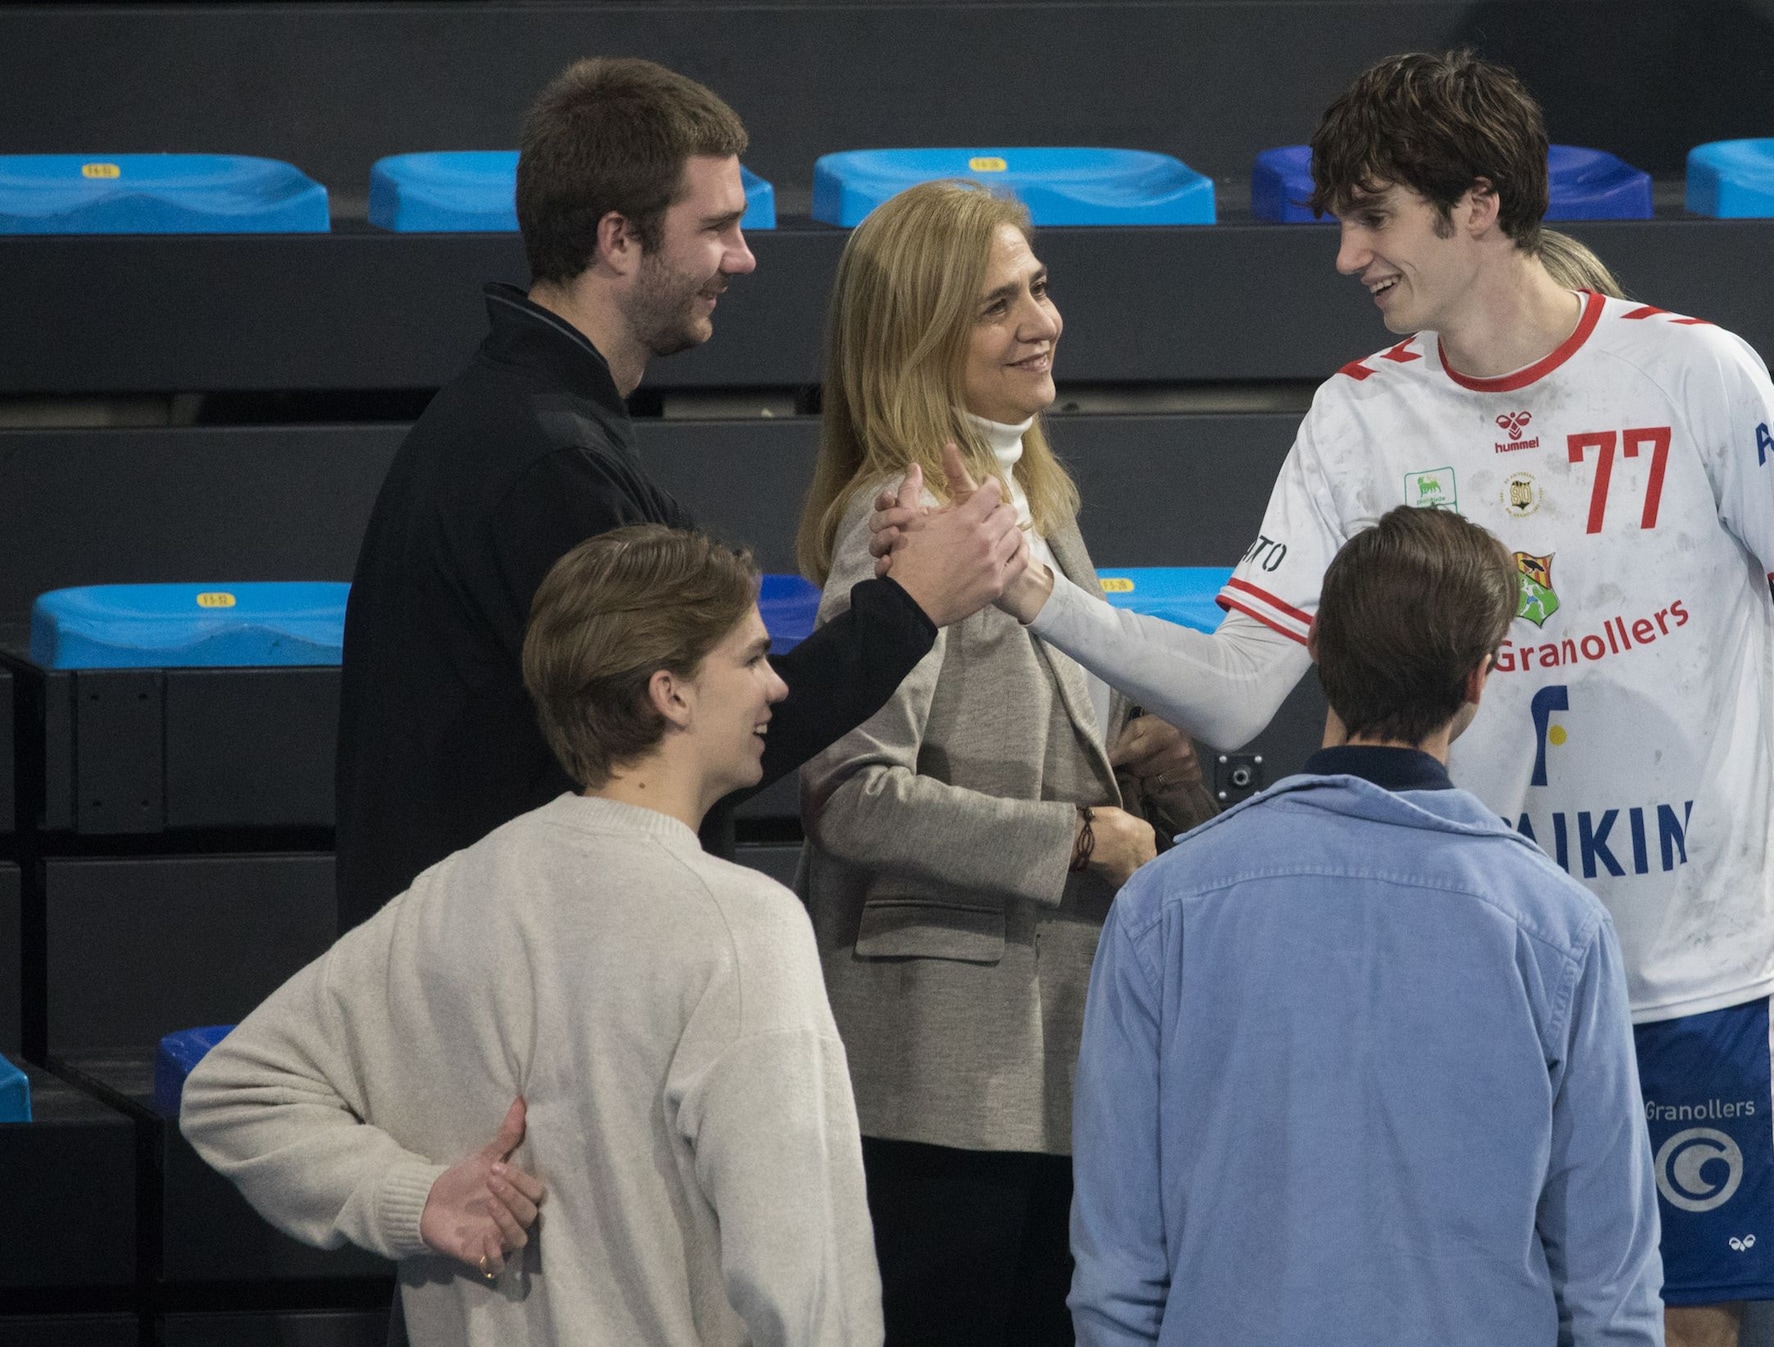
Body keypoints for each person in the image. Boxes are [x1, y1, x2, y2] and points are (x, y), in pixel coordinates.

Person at [878, 50, 1774, 1347]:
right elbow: (1243, 680)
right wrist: (1036, 596)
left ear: (1476, 206)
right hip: (1502, 982)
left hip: (1713, 984)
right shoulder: (1359, 418)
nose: (1346, 253)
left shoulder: (1696, 374)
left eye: (1374, 216)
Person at [336, 56, 1027, 931]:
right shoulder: (547, 466)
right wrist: (910, 605)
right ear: (618, 238)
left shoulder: (532, 423)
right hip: (503, 1012)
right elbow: (686, 737)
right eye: (719, 228)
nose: (743, 259)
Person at [184, 525, 882, 1347]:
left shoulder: (450, 895)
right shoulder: (744, 925)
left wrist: (417, 1196)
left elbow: (231, 1091)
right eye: (753, 657)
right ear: (672, 693)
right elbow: (804, 1276)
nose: (777, 687)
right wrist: (417, 1199)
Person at [1069, 505, 1663, 1346]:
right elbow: (1611, 1294)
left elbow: (1116, 1280)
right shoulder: (1561, 928)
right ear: (1477, 681)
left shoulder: (1161, 909)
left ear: (1317, 651)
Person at [795, 181, 1214, 1347]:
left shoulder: (1030, 494)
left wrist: (1131, 771)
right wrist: (1074, 837)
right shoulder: (904, 508)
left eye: (1037, 286)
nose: (1042, 320)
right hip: (934, 1078)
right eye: (995, 306)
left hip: (1040, 1069)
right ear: (919, 340)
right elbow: (848, 795)